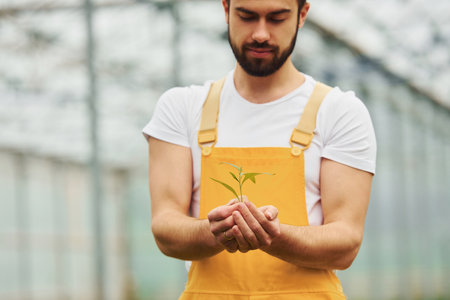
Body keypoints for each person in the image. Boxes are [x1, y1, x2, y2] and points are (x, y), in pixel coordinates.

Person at [143, 0, 376, 298]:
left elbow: (345, 244)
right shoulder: (182, 108)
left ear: (302, 15)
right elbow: (165, 228)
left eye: (277, 18)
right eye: (247, 16)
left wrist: (271, 236)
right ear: (226, 10)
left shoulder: (339, 112)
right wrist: (215, 231)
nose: (261, 34)